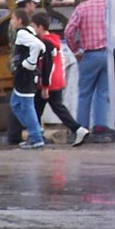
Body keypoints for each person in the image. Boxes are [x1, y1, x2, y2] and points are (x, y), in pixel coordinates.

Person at [63, 0, 113, 141]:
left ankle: (81, 129)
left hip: (88, 55)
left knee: (85, 94)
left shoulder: (82, 8)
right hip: (107, 54)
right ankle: (100, 128)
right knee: (103, 93)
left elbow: (69, 31)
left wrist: (76, 50)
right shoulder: (111, 7)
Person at [31, 11, 90, 146]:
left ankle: (36, 135)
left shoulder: (44, 43)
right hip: (57, 79)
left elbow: (46, 65)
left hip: (48, 81)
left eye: (33, 26)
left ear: (40, 27)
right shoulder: (53, 40)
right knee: (56, 108)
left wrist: (45, 85)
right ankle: (78, 129)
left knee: (36, 109)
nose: (33, 29)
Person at [6, 0, 41, 145]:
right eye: (33, 3)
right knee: (22, 104)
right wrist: (30, 63)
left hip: (22, 68)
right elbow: (35, 46)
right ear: (27, 4)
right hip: (21, 69)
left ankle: (34, 134)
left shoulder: (24, 28)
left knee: (20, 103)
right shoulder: (22, 28)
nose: (35, 6)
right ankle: (33, 134)